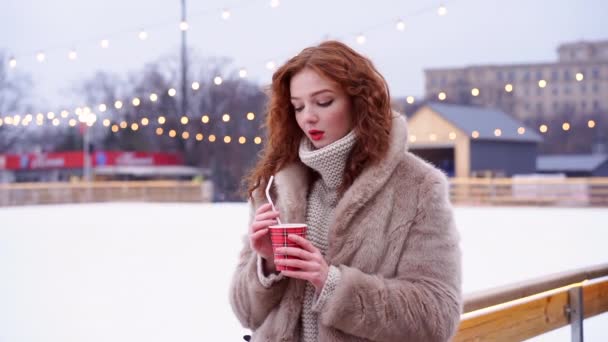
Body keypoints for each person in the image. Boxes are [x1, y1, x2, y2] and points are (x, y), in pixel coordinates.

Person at [229, 40, 462, 342]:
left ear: (359, 101)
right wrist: (266, 266)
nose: (308, 117)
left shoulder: (418, 187)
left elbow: (437, 316)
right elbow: (246, 314)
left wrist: (332, 284)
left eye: (323, 102)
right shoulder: (276, 185)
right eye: (298, 106)